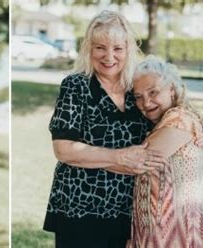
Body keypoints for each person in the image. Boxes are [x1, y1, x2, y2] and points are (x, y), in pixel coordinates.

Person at [43, 10, 167, 248]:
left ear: (128, 49)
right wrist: (121, 157)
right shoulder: (76, 85)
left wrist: (197, 126)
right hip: (79, 208)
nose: (109, 56)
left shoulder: (137, 88)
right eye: (100, 47)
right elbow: (64, 150)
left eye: (117, 48)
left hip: (127, 211)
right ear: (89, 48)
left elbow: (171, 110)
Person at [130, 56, 203, 247]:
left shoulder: (179, 119)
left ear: (172, 90)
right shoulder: (165, 120)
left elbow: (137, 160)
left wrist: (81, 156)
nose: (146, 102)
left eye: (153, 92)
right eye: (138, 96)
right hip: (159, 229)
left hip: (176, 231)